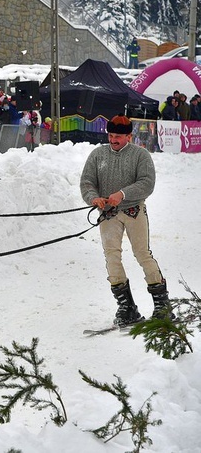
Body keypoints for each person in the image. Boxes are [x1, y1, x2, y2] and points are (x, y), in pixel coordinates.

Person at [80, 115, 173, 328]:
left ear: (129, 136)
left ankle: (162, 306)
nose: (113, 140)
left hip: (134, 210)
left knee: (143, 254)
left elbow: (147, 183)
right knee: (112, 257)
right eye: (111, 135)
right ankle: (126, 307)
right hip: (108, 214)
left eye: (118, 136)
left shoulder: (141, 155)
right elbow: (87, 182)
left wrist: (122, 194)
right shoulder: (97, 155)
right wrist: (93, 197)